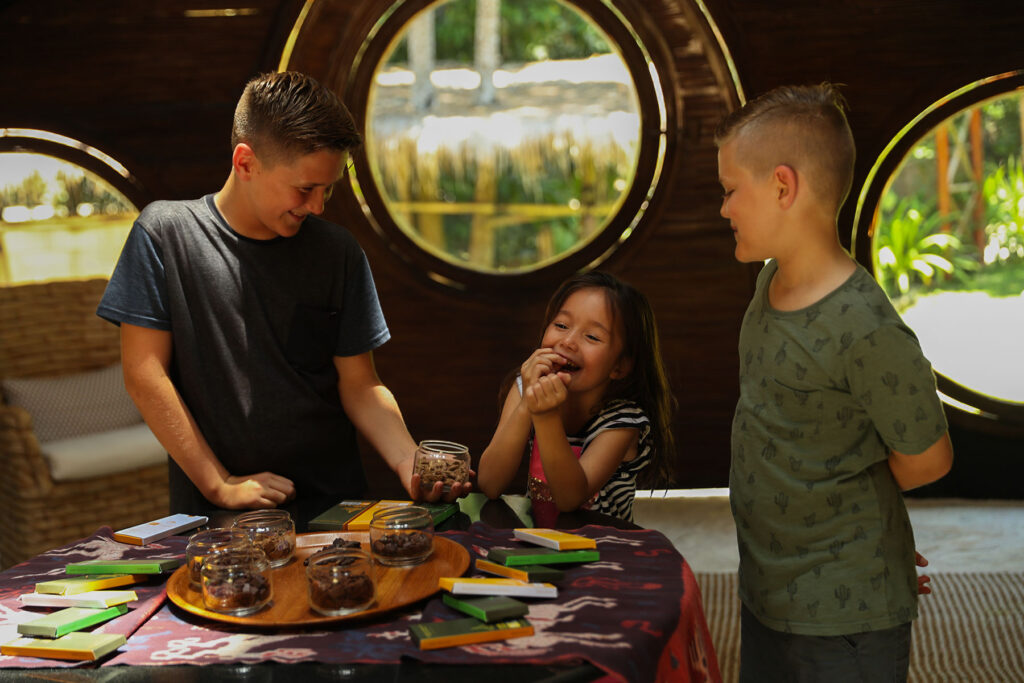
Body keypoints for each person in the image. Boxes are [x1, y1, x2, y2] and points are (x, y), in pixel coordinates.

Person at [97, 71, 470, 518]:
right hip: (222, 520)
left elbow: (360, 384)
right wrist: (220, 484)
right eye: (305, 189)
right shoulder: (164, 235)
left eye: (328, 189)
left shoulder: (337, 251)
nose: (317, 207)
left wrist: (409, 461)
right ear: (246, 162)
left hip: (336, 507)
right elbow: (144, 374)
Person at [715, 82, 954, 682]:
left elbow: (929, 458)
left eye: (730, 191)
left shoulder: (867, 329)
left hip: (846, 609)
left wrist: (860, 521)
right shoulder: (766, 281)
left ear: (782, 186)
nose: (723, 209)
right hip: (769, 586)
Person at [476, 271, 675, 526]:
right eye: (561, 325)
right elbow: (490, 484)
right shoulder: (525, 389)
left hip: (606, 549)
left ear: (619, 367)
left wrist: (545, 416)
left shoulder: (623, 421)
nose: (568, 342)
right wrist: (527, 405)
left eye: (592, 336)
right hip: (541, 543)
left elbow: (569, 499)